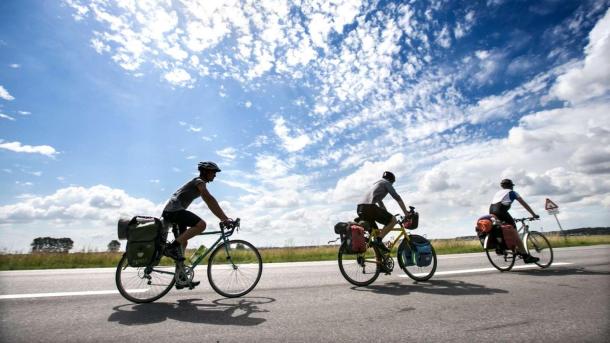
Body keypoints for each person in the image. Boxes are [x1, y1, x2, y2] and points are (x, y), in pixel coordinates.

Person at [162, 161, 232, 288]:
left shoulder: (199, 183)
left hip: (173, 212)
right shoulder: (199, 182)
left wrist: (223, 218)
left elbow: (209, 201)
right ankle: (170, 248)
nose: (215, 175)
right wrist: (224, 218)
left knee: (183, 242)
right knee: (201, 225)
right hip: (174, 211)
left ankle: (181, 277)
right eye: (213, 172)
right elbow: (209, 199)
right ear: (205, 171)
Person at [357, 171, 410, 254]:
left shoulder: (376, 184)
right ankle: (379, 240)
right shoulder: (386, 183)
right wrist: (406, 213)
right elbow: (397, 198)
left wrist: (386, 214)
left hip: (360, 208)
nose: (392, 184)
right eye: (393, 183)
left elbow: (380, 205)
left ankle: (379, 264)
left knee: (376, 234)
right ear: (391, 180)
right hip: (369, 208)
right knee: (393, 220)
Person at [490, 178, 540, 263]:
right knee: (515, 234)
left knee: (503, 230)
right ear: (511, 186)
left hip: (492, 212)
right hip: (501, 212)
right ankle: (526, 256)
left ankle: (502, 247)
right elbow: (524, 204)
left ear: (502, 186)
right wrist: (533, 214)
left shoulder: (498, 193)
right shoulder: (512, 192)